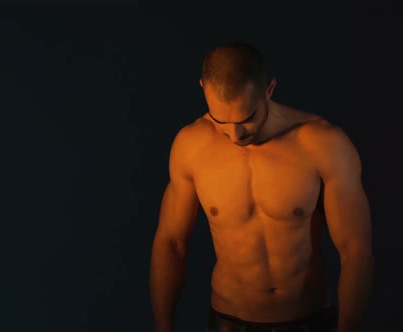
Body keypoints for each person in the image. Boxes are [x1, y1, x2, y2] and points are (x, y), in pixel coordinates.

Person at [149, 42, 374, 332]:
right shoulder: (191, 146)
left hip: (306, 322)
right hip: (227, 322)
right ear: (203, 87)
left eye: (248, 118)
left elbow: (356, 251)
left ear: (269, 88)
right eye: (221, 121)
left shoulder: (323, 144)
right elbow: (172, 242)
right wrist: (163, 325)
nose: (235, 134)